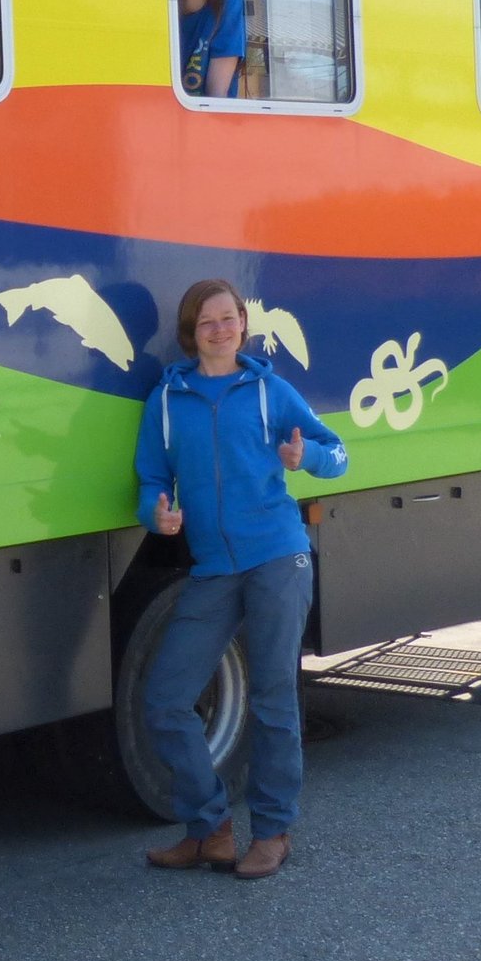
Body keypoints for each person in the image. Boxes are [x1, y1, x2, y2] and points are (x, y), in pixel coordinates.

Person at [135, 279, 347, 880]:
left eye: (229, 319)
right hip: (213, 567)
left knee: (273, 696)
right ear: (190, 332)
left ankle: (273, 832)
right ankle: (211, 829)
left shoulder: (267, 391)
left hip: (278, 556)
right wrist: (156, 512)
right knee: (166, 700)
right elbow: (150, 479)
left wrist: (305, 458)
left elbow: (338, 454)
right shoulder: (168, 401)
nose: (220, 330)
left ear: (243, 327)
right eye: (208, 322)